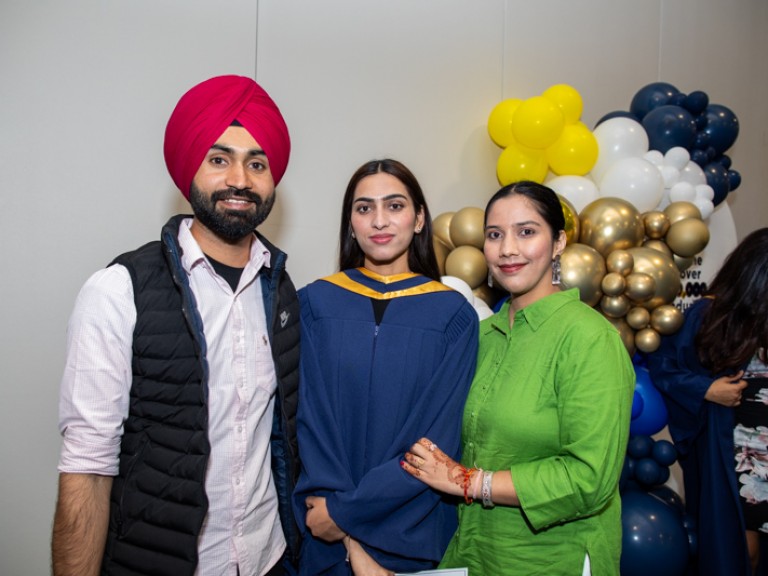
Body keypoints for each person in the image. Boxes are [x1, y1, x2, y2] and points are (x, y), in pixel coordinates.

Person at [51, 75, 300, 576]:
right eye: (218, 158)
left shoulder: (282, 291)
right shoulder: (119, 291)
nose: (239, 179)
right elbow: (89, 469)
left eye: (257, 162)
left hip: (268, 558)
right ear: (188, 168)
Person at [403, 181, 635, 575]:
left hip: (551, 558)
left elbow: (590, 479)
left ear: (559, 242)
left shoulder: (590, 339)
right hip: (476, 551)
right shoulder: (483, 336)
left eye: (526, 232)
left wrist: (470, 482)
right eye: (495, 235)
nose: (507, 248)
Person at [293, 159, 479, 575]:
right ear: (351, 223)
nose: (379, 221)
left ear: (418, 219)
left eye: (395, 206)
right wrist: (336, 520)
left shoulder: (452, 315)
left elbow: (437, 438)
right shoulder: (316, 304)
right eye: (364, 208)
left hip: (411, 531)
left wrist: (344, 514)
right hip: (322, 530)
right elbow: (310, 420)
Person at [648, 227, 768, 576]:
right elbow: (665, 368)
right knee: (741, 554)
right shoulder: (708, 315)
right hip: (739, 463)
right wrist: (706, 389)